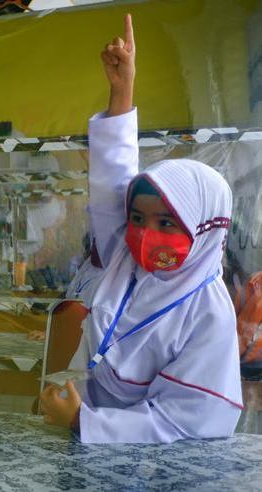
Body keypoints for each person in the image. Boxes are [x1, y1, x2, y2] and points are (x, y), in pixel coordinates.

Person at [40, 14, 242, 443]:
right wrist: (121, 91)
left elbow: (187, 421)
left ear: (203, 230)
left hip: (154, 461)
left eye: (167, 221)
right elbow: (113, 180)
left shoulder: (208, 311)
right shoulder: (125, 260)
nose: (146, 234)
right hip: (89, 433)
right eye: (137, 218)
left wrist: (83, 421)